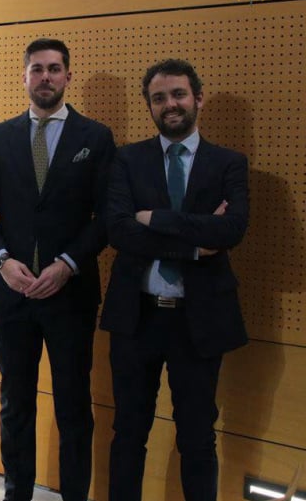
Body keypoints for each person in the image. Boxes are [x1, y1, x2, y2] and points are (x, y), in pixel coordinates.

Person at [0, 38, 116, 501]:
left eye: (54, 69)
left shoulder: (95, 138)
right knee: (15, 403)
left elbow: (107, 216)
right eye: (37, 69)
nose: (46, 77)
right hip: (11, 293)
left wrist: (68, 265)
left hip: (69, 294)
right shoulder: (1, 135)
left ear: (68, 76)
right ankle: (16, 494)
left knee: (73, 405)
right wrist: (1, 261)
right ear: (25, 77)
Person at [101, 59, 249, 501]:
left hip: (198, 322)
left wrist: (155, 219)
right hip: (137, 319)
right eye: (159, 98)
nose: (170, 104)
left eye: (178, 94)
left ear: (197, 98)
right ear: (150, 105)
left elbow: (231, 230)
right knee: (128, 432)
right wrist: (193, 246)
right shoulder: (127, 160)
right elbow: (118, 230)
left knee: (197, 438)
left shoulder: (229, 164)